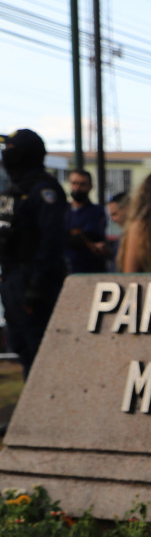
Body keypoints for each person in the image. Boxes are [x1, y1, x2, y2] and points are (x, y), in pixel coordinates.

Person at [0, 129, 67, 376]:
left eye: (11, 151)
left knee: (40, 350)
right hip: (11, 279)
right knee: (20, 345)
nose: (6, 156)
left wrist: (37, 284)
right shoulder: (11, 192)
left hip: (35, 280)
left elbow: (52, 242)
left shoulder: (44, 191)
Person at [65, 169, 108, 273]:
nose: (77, 188)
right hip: (65, 268)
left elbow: (90, 237)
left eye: (82, 184)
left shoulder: (96, 211)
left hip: (88, 269)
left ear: (90, 186)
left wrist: (68, 236)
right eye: (74, 183)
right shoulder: (63, 210)